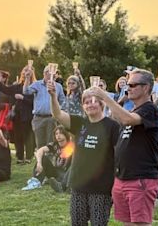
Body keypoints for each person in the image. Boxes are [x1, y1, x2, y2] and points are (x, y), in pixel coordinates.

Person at [91, 68, 158, 225]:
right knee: (127, 223)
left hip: (141, 178)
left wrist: (105, 96)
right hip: (122, 178)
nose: (128, 88)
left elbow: (128, 120)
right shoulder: (131, 111)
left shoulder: (149, 109)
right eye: (127, 84)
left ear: (146, 87)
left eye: (133, 84)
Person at [48, 80, 120, 225]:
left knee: (98, 223)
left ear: (101, 104)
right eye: (86, 102)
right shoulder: (80, 123)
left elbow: (119, 155)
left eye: (93, 101)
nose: (90, 104)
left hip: (101, 187)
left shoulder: (112, 126)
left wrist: (116, 183)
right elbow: (57, 114)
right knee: (77, 223)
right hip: (78, 184)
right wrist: (53, 96)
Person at [0, 66, 35, 164]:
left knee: (27, 136)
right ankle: (20, 157)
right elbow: (6, 90)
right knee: (18, 137)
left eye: (28, 71)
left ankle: (29, 157)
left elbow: (34, 102)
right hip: (17, 115)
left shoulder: (34, 86)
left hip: (28, 114)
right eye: (24, 71)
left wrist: (23, 98)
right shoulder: (17, 86)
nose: (26, 73)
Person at [23, 65, 65, 149]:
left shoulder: (58, 86)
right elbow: (26, 91)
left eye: (52, 72)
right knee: (40, 143)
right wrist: (27, 78)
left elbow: (63, 102)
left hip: (52, 118)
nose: (49, 74)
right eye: (47, 72)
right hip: (39, 119)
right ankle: (40, 161)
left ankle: (50, 161)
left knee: (51, 143)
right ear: (44, 74)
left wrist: (59, 114)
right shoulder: (37, 84)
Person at [22, 125, 72, 192]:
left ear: (66, 134)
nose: (58, 136)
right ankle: (36, 182)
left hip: (67, 174)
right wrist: (39, 163)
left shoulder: (72, 146)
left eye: (61, 133)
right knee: (43, 158)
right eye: (56, 134)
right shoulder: (54, 145)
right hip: (55, 172)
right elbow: (40, 150)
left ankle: (63, 185)